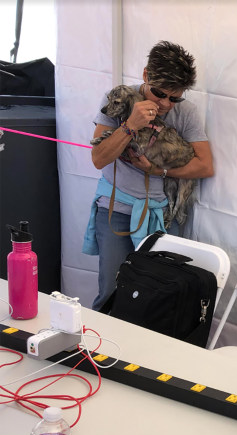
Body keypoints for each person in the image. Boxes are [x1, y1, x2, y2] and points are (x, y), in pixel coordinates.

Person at [83, 40, 214, 310]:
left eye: (174, 97)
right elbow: (98, 158)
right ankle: (99, 349)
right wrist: (130, 125)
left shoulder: (186, 112)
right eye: (159, 93)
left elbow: (205, 166)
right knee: (111, 290)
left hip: (162, 215)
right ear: (145, 76)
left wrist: (158, 170)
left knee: (158, 296)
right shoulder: (119, 97)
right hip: (117, 209)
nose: (166, 103)